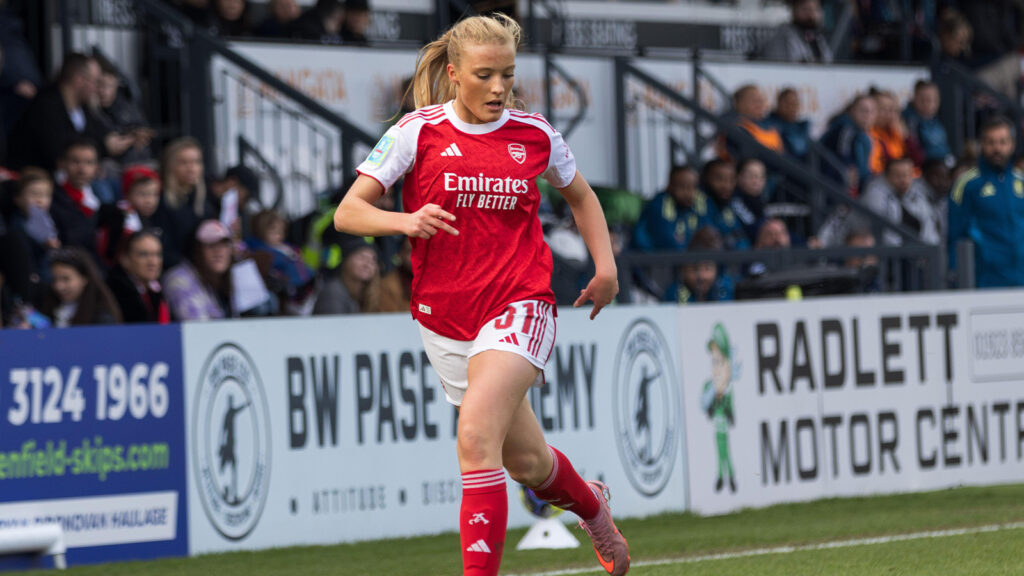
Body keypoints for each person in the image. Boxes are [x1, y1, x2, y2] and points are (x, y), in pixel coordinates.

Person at [331, 14, 627, 576]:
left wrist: (605, 266)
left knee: (473, 436)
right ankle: (593, 506)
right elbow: (349, 212)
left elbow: (582, 197)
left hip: (520, 302)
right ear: (454, 73)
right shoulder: (417, 132)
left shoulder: (534, 134)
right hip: (444, 317)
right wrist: (406, 222)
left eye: (508, 75)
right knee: (527, 461)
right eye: (485, 74)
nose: (498, 88)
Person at [6, 53, 132, 172]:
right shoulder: (46, 106)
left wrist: (121, 140)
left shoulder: (83, 109)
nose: (97, 89)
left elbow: (98, 135)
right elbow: (59, 152)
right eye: (95, 82)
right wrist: (105, 147)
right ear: (79, 80)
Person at [948, 116, 1024, 288]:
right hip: (985, 281)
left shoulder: (1021, 182)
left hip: (1021, 277)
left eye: (1002, 142)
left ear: (1012, 145)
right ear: (982, 144)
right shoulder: (967, 184)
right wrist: (955, 275)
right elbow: (955, 235)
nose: (997, 148)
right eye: (991, 142)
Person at [163, 219, 237, 320]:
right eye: (211, 245)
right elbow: (199, 331)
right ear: (196, 250)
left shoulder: (232, 277)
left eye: (224, 245)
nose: (218, 252)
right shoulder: (179, 280)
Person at [862, 156, 939, 246]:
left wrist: (929, 250)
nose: (903, 180)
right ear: (886, 176)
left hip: (917, 252)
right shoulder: (874, 195)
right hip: (885, 253)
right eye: (898, 176)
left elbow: (929, 228)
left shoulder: (918, 194)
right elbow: (883, 233)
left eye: (907, 175)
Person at [632, 164, 710, 251]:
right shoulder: (660, 204)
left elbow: (707, 232)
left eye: (693, 187)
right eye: (683, 186)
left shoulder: (696, 204)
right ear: (670, 186)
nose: (689, 192)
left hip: (683, 260)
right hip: (652, 260)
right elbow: (668, 242)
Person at [40, 246, 122, 327]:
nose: (59, 286)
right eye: (54, 279)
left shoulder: (101, 317)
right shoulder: (48, 306)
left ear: (84, 278)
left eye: (66, 279)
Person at [106, 229, 170, 324]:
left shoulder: (158, 290)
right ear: (125, 259)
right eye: (143, 255)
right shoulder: (115, 292)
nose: (153, 262)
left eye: (157, 254)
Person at [820, 94, 878, 194]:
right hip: (831, 184)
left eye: (871, 112)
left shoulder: (863, 134)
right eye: (863, 111)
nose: (867, 116)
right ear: (852, 111)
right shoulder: (845, 129)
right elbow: (844, 159)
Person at [663, 227, 734, 304]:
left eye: (707, 268)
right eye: (695, 269)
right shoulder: (674, 293)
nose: (702, 276)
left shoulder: (724, 287)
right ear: (684, 270)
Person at [312, 235, 380, 315]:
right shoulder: (333, 293)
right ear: (346, 261)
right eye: (362, 258)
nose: (367, 264)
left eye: (372, 260)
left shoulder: (368, 294)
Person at [756, 0, 833, 63]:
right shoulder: (784, 36)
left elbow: (828, 62)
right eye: (806, 9)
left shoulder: (818, 38)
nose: (811, 15)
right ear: (794, 10)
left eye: (815, 9)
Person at [702, 158, 750, 250]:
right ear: (705, 179)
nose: (726, 185)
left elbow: (741, 239)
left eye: (731, 180)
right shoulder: (697, 205)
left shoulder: (730, 205)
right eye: (719, 179)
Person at [902, 81, 952, 165]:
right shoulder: (910, 121)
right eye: (923, 99)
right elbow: (915, 152)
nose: (928, 104)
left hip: (943, 164)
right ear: (914, 98)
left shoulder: (937, 121)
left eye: (933, 100)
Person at [766, 87, 811, 160]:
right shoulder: (769, 124)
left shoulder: (801, 126)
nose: (792, 107)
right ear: (779, 104)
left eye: (795, 104)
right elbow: (797, 149)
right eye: (788, 103)